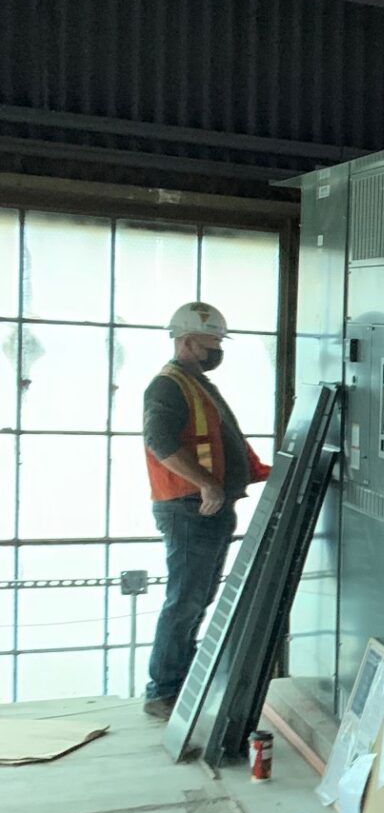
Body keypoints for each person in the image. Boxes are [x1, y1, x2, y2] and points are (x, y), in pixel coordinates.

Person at [141, 302, 271, 720]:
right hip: (188, 508)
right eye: (211, 341)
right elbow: (160, 443)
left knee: (198, 598)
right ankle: (163, 691)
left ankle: (179, 684)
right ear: (186, 341)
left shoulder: (195, 382)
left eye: (219, 341)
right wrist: (206, 483)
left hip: (206, 507)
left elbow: (218, 439)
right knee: (185, 600)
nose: (217, 349)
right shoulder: (168, 385)